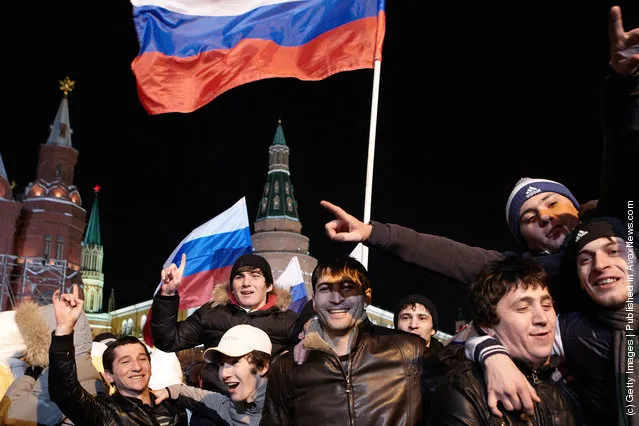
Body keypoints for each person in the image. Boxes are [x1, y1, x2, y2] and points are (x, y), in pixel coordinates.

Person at [319, 2, 636, 312]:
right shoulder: (524, 274)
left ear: (576, 207)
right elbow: (451, 256)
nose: (544, 216)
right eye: (528, 217)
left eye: (553, 203)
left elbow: (622, 157)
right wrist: (374, 233)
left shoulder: (618, 223)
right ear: (525, 240)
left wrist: (623, 86)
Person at [466, 216, 637, 425]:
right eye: (585, 259)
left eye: (613, 251)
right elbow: (486, 331)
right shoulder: (572, 331)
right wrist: (494, 357)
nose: (600, 265)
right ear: (581, 282)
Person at [260, 256, 445, 426]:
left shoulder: (410, 351)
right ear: (314, 301)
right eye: (325, 289)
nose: (336, 298)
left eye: (347, 287)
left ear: (367, 297)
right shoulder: (287, 367)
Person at [427, 256, 579, 425]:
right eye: (523, 308)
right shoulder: (464, 390)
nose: (542, 318)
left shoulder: (566, 384)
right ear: (488, 325)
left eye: (546, 305)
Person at [151, 253, 298, 425]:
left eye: (255, 276)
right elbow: (168, 340)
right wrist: (167, 295)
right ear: (232, 286)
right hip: (212, 408)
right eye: (239, 277)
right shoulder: (211, 313)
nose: (246, 283)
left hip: (264, 410)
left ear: (269, 286)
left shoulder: (288, 320)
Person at [48, 284, 188, 426]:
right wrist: (64, 329)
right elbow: (64, 390)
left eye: (142, 359)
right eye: (125, 362)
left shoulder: (173, 409)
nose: (137, 367)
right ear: (109, 375)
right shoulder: (105, 413)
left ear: (151, 367)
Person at [0, 301, 105, 426]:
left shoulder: (60, 374)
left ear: (43, 340)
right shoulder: (84, 368)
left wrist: (28, 377)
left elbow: (9, 418)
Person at [153, 324, 271, 426]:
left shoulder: (285, 408)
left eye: (235, 362)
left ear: (263, 366)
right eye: (221, 364)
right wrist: (170, 391)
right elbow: (202, 397)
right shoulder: (234, 408)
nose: (224, 373)